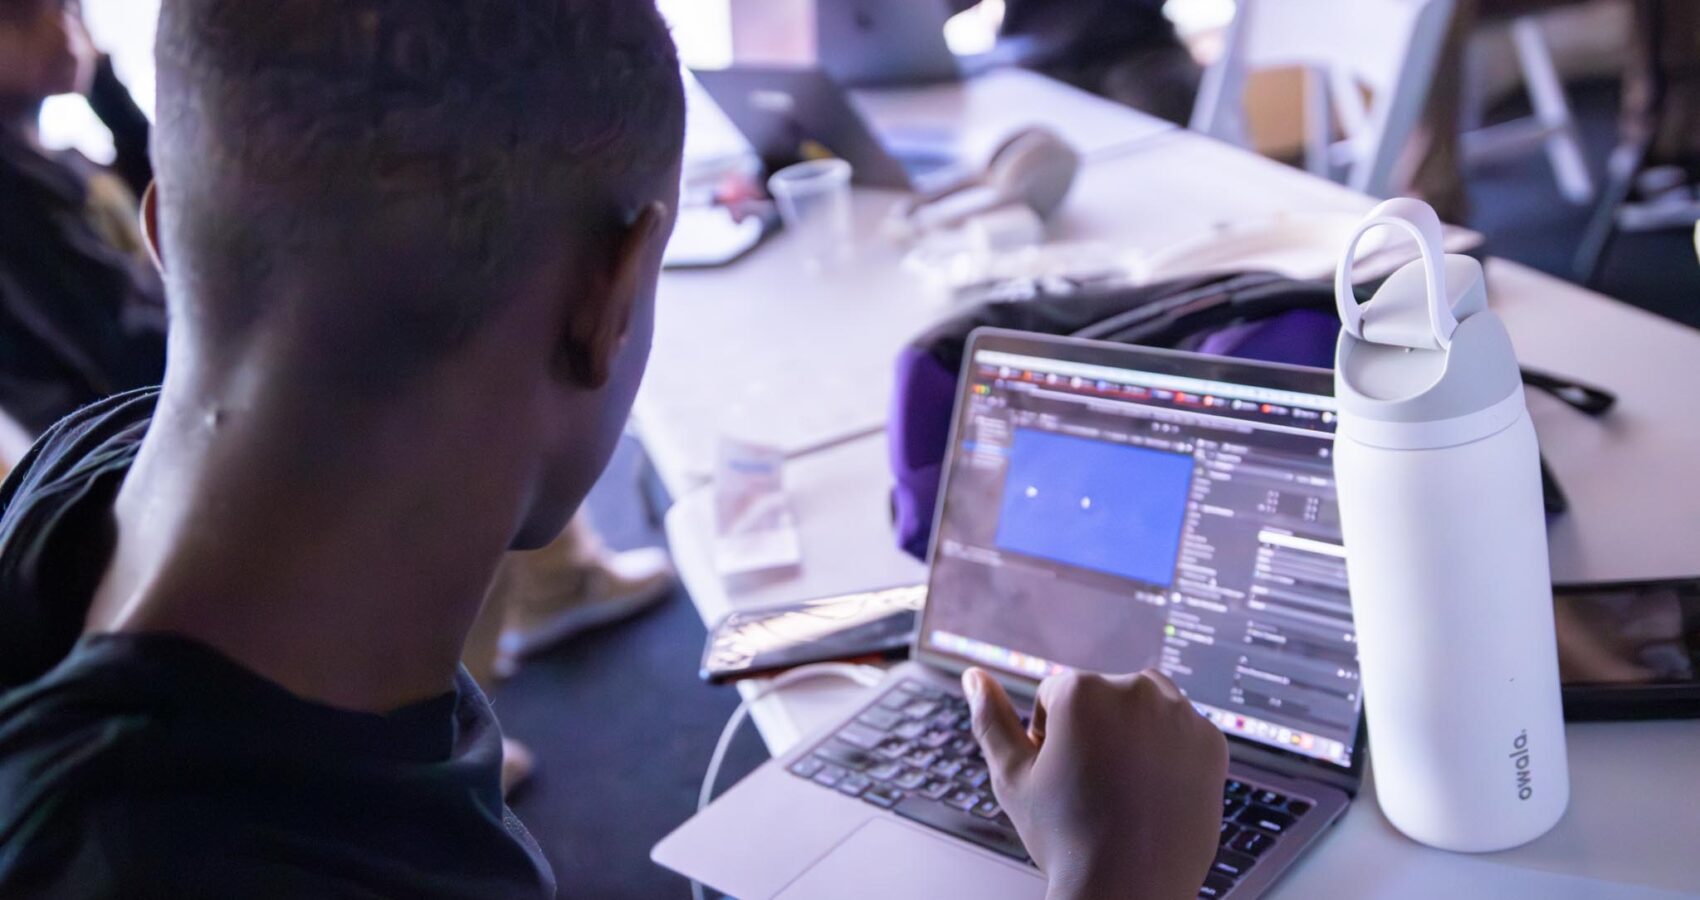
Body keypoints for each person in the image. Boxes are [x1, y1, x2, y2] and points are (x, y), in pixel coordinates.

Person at [0, 2, 1226, 898]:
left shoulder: (82, 477)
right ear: (613, 293)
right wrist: (1114, 879)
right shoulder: (186, 864)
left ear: (165, 231)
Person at [0, 0, 166, 439]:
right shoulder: (12, 188)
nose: (61, 29)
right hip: (121, 447)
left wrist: (103, 86)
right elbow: (128, 349)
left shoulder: (65, 162)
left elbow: (175, 199)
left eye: (68, 9)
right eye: (22, 16)